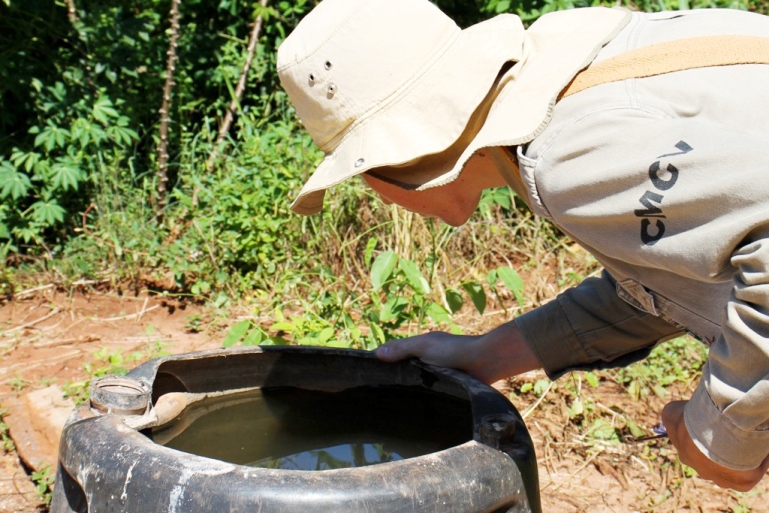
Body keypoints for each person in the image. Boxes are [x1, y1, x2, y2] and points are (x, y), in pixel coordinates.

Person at [276, 0, 769, 492]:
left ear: (396, 159)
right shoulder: (588, 71)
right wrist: (487, 355)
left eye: (359, 172)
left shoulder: (569, 156)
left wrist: (722, 437)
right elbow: (666, 279)